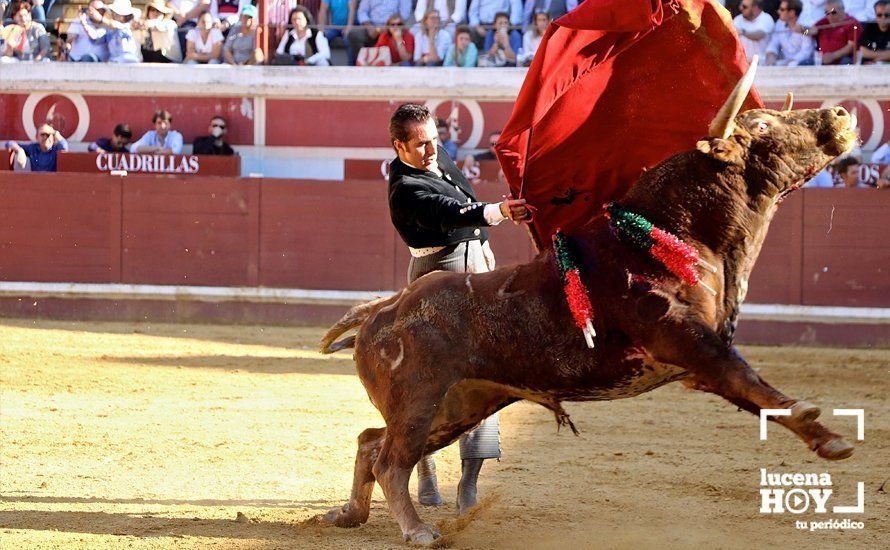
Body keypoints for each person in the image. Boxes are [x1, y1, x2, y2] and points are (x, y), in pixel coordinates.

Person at [386, 103, 528, 513]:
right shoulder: (405, 190)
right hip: (437, 281)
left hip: (479, 269)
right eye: (421, 144)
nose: (432, 149)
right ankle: (426, 466)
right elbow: (453, 212)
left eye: (434, 140)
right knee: (430, 382)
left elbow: (463, 203)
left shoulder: (433, 153)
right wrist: (498, 211)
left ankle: (468, 483)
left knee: (488, 373)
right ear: (400, 146)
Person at [347, 0, 411, 65]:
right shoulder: (382, 37)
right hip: (372, 26)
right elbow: (362, 12)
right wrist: (370, 28)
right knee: (353, 34)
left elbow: (404, 14)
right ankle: (362, 63)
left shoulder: (408, 35)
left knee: (405, 62)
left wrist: (392, 26)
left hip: (393, 26)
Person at [809, 0, 860, 64]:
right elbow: (807, 31)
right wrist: (805, 30)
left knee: (846, 63)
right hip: (823, 59)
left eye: (833, 13)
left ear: (842, 10)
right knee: (804, 63)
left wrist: (833, 56)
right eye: (827, 13)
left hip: (843, 59)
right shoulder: (824, 22)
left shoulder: (852, 22)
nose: (829, 16)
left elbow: (851, 47)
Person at [765, 0, 814, 64]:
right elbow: (773, 43)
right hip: (785, 63)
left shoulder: (805, 26)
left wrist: (791, 61)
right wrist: (771, 54)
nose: (778, 11)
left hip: (803, 64)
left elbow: (806, 52)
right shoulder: (779, 23)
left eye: (782, 9)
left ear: (792, 12)